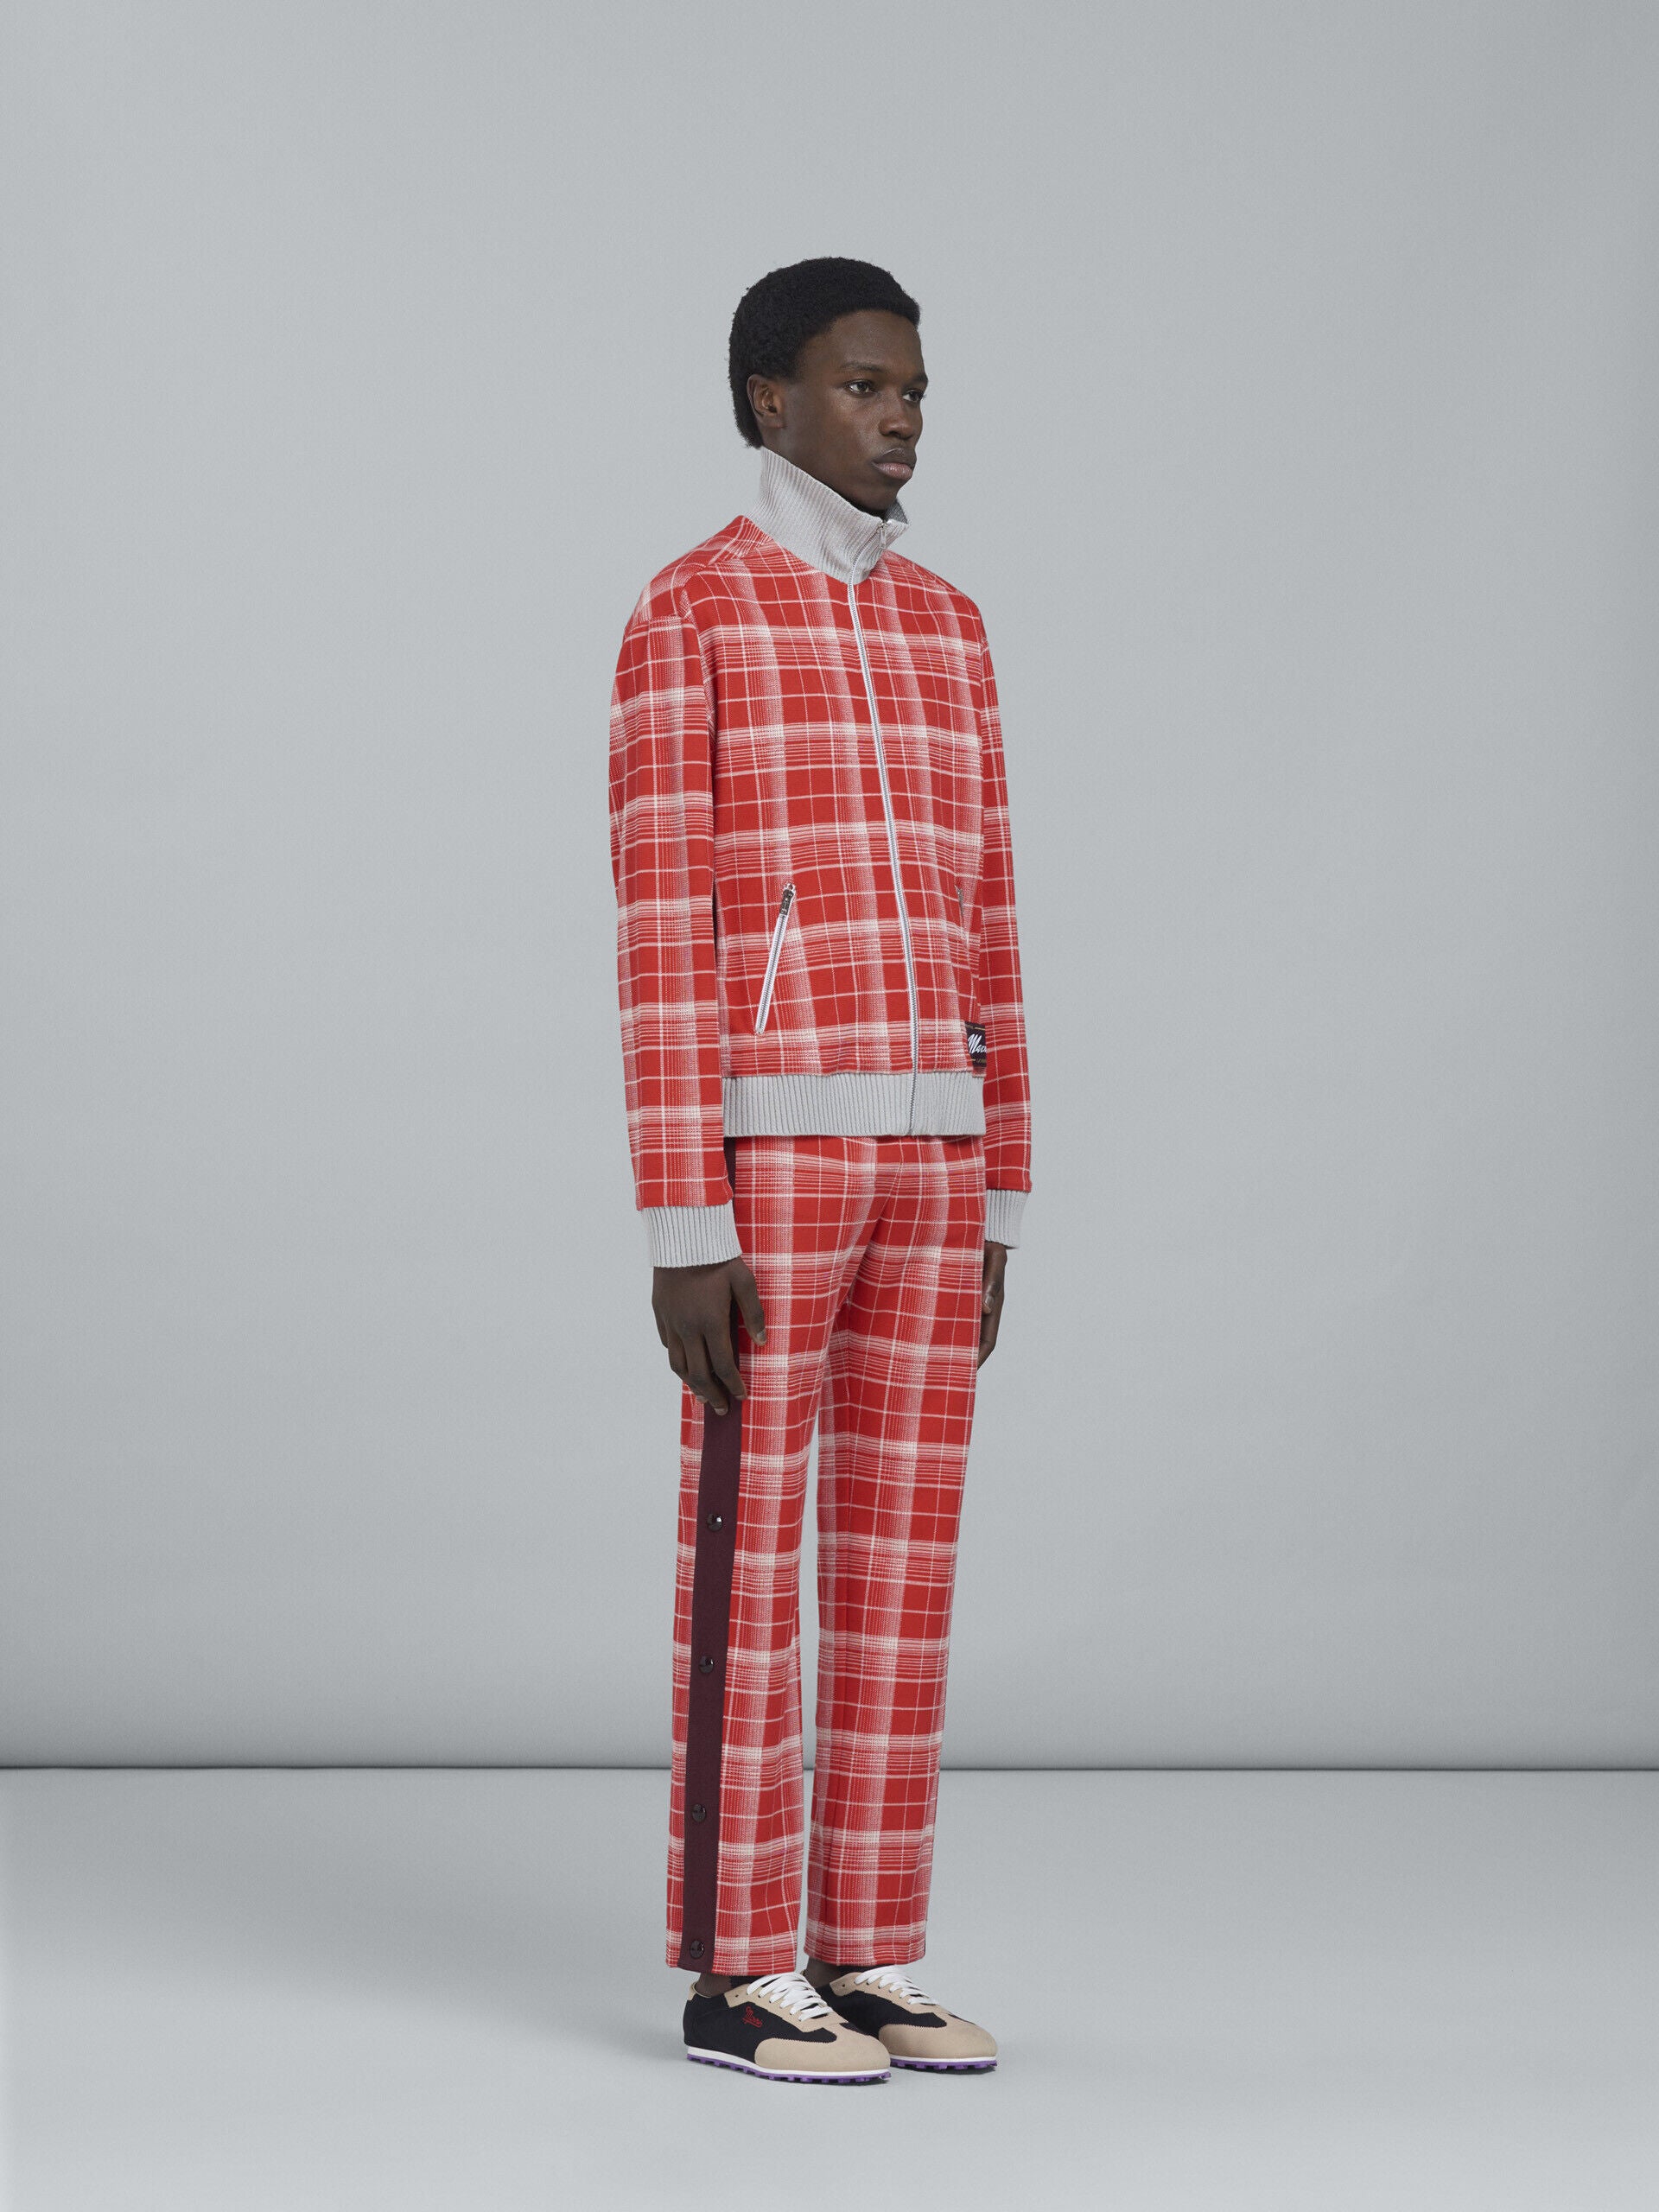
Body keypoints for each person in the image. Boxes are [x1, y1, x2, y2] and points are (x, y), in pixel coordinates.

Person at [607, 257, 1032, 2083]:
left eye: (915, 389)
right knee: (749, 1556)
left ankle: (865, 1944)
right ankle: (736, 1966)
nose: (901, 418)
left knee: (901, 1569)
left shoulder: (950, 626)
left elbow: (991, 914)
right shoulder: (690, 609)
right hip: (771, 1155)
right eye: (865, 387)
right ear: (769, 399)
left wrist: (1001, 1186)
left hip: (936, 1153)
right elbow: (658, 929)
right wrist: (680, 1215)